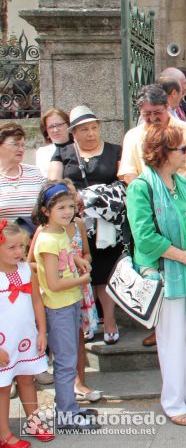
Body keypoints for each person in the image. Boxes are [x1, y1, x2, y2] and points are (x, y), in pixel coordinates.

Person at [126, 125, 186, 427]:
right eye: (181, 149)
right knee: (172, 341)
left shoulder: (180, 183)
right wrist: (184, 256)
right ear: (163, 154)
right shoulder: (141, 187)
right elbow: (144, 237)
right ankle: (174, 401)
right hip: (167, 276)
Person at [48, 105, 123, 345]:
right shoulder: (64, 153)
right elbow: (53, 185)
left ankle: (109, 321)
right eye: (84, 129)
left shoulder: (114, 151)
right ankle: (87, 322)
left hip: (106, 227)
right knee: (78, 272)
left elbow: (124, 185)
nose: (91, 134)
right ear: (74, 133)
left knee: (105, 274)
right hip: (75, 225)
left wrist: (89, 197)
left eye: (94, 128)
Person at [32, 181, 100, 431]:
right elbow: (52, 282)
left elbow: (67, 257)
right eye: (61, 207)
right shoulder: (47, 239)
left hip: (71, 303)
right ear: (45, 210)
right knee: (65, 362)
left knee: (68, 360)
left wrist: (78, 259)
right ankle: (67, 415)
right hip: (58, 307)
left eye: (71, 206)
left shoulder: (60, 233)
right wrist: (82, 279)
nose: (68, 212)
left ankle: (70, 407)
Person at [0, 222, 54, 447]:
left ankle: (33, 422)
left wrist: (42, 331)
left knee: (27, 379)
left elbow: (36, 301)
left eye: (21, 246)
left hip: (25, 337)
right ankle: (4, 433)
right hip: (3, 341)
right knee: (2, 386)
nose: (19, 252)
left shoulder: (26, 270)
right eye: (12, 247)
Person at [0, 123, 45, 222]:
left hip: (34, 235)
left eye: (23, 145)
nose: (21, 149)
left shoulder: (35, 173)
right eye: (15, 144)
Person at [36, 108, 72, 177]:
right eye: (51, 127)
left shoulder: (78, 147)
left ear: (68, 125)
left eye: (59, 125)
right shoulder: (42, 153)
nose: (55, 130)